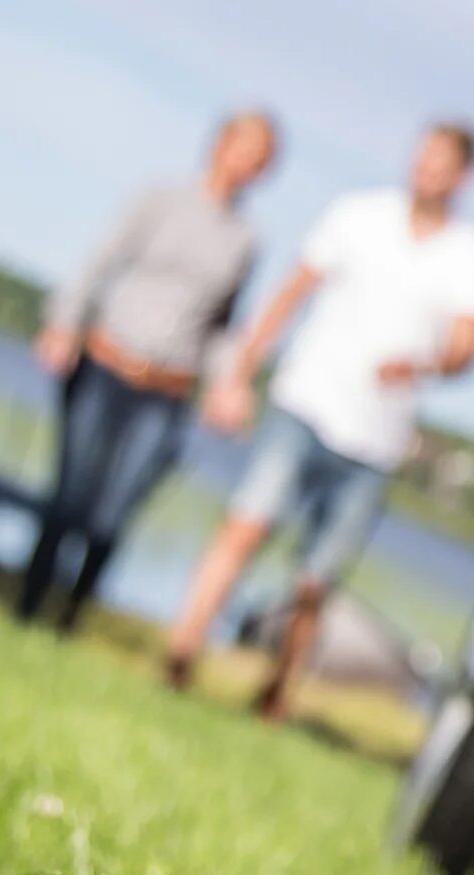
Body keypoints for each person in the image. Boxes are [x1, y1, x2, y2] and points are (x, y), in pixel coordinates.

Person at [166, 121, 474, 719]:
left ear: (463, 177)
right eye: (420, 157)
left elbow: (467, 347)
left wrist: (426, 361)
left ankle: (276, 692)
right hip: (306, 401)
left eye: (438, 163)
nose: (423, 169)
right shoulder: (359, 214)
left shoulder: (472, 258)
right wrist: (238, 372)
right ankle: (181, 651)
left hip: (376, 440)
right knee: (245, 525)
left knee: (316, 579)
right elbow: (292, 293)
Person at [17, 111, 279, 630]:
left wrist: (229, 385)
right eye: (241, 149)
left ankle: (68, 617)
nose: (245, 164)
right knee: (71, 495)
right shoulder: (160, 198)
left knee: (113, 512)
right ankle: (26, 607)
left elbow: (223, 326)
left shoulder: (245, 240)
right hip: (105, 361)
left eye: (258, 159)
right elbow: (104, 259)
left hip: (167, 389)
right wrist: (63, 324)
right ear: (219, 145)